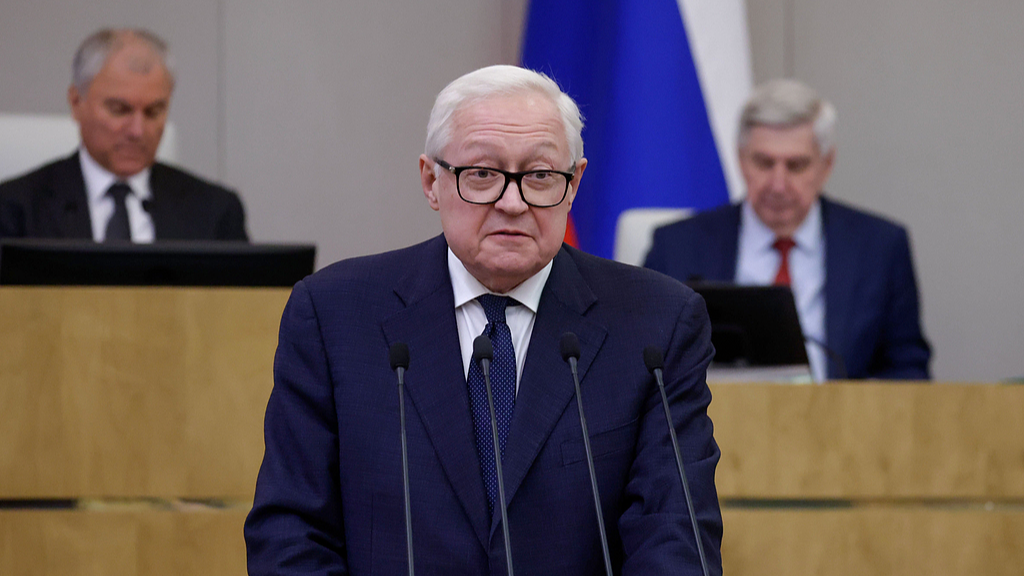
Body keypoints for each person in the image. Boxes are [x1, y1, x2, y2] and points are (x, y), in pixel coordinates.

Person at [244, 65, 722, 575]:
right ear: (432, 181)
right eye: (483, 175)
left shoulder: (655, 323)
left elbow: (675, 536)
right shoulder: (335, 315)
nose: (512, 203)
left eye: (540, 176)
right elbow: (291, 534)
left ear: (574, 183)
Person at [645, 79, 930, 381]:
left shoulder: (880, 248)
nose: (778, 185)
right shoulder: (676, 246)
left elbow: (908, 373)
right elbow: (645, 358)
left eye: (795, 166)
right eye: (764, 162)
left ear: (827, 164)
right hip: (715, 421)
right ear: (741, 159)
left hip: (839, 423)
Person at [0, 28, 247, 242]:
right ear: (77, 102)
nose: (137, 131)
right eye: (120, 110)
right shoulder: (16, 209)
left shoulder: (215, 212)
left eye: (153, 112)